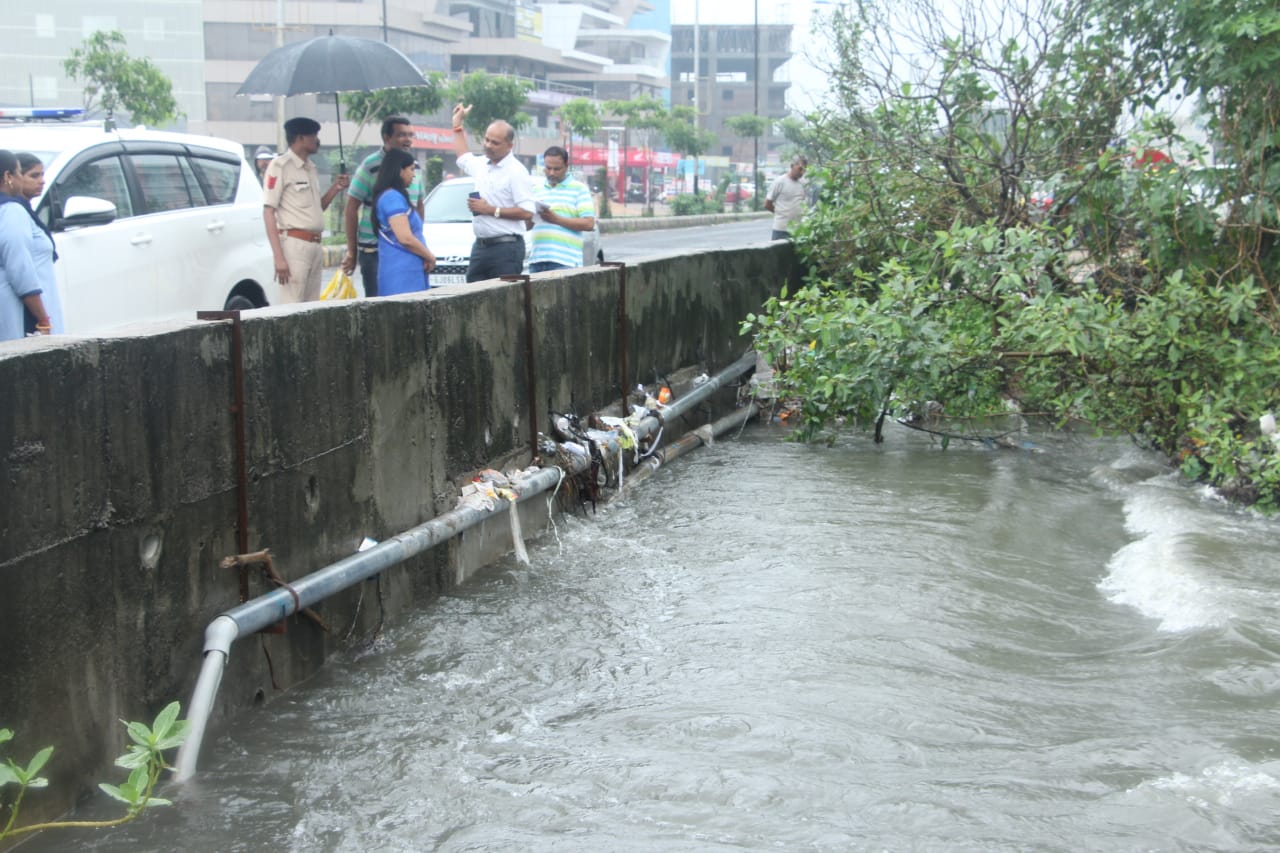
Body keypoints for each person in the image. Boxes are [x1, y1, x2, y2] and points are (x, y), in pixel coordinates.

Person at [261, 117, 349, 303]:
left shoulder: (310, 168)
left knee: (311, 306)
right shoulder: (280, 166)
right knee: (291, 305)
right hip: (294, 245)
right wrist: (279, 258)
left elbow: (317, 209)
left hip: (315, 245)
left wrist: (335, 188)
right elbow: (269, 212)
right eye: (314, 136)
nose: (317, 140)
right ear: (300, 138)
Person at [450, 103, 535, 282]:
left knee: (504, 303)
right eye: (487, 140)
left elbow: (527, 211)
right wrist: (457, 125)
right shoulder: (482, 165)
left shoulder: (516, 172)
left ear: (509, 146)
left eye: (495, 143)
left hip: (506, 248)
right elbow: (463, 158)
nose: (488, 145)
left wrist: (490, 210)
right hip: (480, 247)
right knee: (471, 299)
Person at [342, 116, 425, 297]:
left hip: (408, 251)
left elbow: (419, 205)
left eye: (410, 135)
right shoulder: (370, 166)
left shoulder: (415, 166)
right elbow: (351, 208)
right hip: (375, 252)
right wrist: (352, 251)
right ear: (386, 138)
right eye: (401, 135)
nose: (407, 139)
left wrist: (420, 244)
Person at [0, 150, 54, 341]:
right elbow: (20, 269)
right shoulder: (11, 211)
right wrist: (43, 319)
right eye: (18, 173)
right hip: (14, 311)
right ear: (8, 177)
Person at [370, 148, 435, 296]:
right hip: (402, 276)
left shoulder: (394, 196)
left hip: (409, 271)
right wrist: (429, 256)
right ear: (400, 170)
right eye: (411, 169)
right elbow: (405, 238)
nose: (413, 175)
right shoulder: (392, 198)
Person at [15, 152, 62, 334]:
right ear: (13, 178)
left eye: (42, 175)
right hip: (31, 308)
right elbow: (20, 268)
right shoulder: (15, 212)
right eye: (34, 175)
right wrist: (42, 319)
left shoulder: (26, 210)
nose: (41, 181)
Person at [528, 145, 596, 274]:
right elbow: (526, 226)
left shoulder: (579, 189)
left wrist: (556, 219)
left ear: (566, 166)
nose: (552, 173)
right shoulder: (536, 189)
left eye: (557, 169)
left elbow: (588, 223)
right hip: (537, 260)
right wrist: (532, 215)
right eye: (548, 168)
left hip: (566, 262)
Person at [764, 155, 809, 240]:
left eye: (804, 170)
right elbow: (767, 204)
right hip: (781, 230)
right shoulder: (780, 182)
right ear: (792, 166)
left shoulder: (804, 183)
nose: (802, 172)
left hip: (798, 231)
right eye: (800, 168)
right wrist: (780, 213)